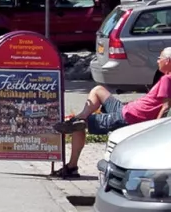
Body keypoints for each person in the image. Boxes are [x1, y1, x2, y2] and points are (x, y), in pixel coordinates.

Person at [54, 47, 171, 177]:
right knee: (98, 90)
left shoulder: (167, 79)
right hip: (125, 110)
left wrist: (154, 129)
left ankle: (71, 166)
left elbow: (165, 106)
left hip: (128, 117)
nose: (157, 61)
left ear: (168, 61)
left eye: (160, 58)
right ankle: (81, 117)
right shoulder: (166, 77)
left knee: (78, 126)